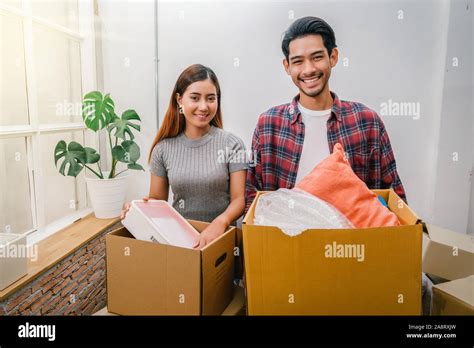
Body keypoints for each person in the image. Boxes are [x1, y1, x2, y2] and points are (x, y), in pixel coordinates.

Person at [246, 16, 406, 213]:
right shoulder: (268, 124)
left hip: (353, 240)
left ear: (333, 57)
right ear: (287, 66)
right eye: (298, 61)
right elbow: (252, 196)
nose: (309, 69)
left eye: (317, 57)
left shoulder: (367, 122)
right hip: (287, 240)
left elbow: (393, 196)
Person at [122, 64, 248, 249]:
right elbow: (157, 201)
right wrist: (136, 209)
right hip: (180, 242)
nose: (204, 107)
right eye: (195, 98)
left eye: (211, 98)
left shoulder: (232, 145)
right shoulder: (163, 149)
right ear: (179, 100)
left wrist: (219, 223)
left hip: (222, 240)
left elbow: (239, 200)